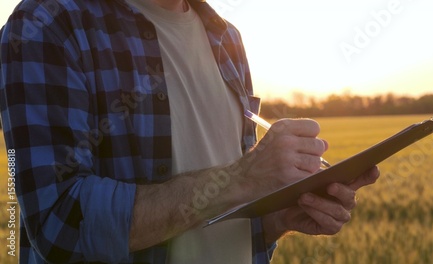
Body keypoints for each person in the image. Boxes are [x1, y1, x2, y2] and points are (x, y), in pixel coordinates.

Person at [0, 0, 380, 263]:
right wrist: (244, 176)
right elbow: (57, 223)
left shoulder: (226, 39)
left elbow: (221, 208)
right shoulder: (48, 24)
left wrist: (276, 220)